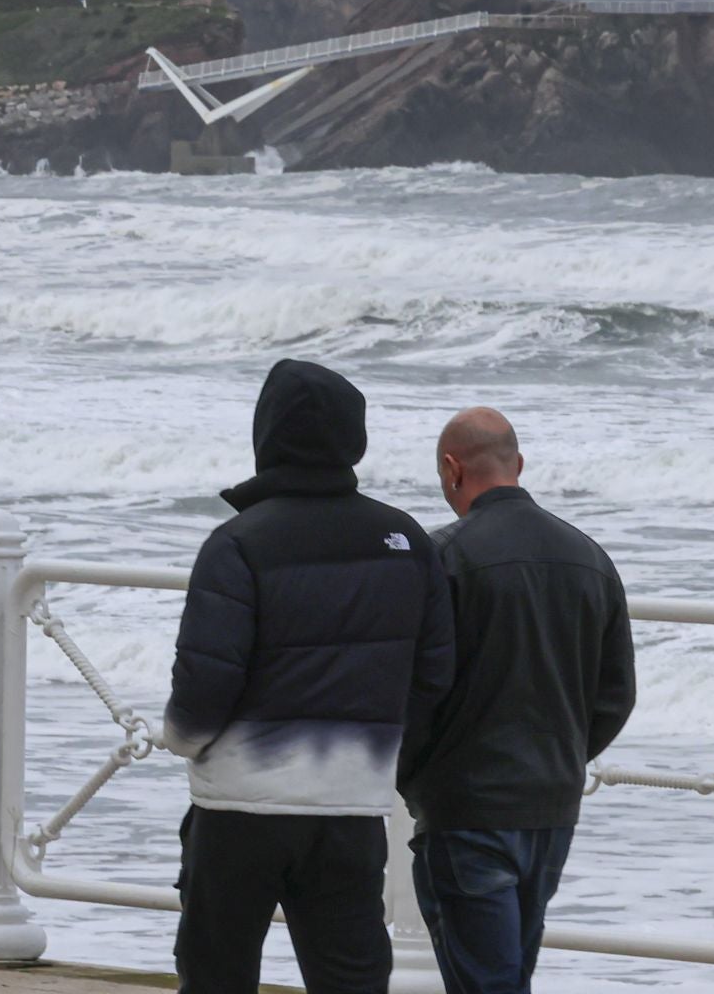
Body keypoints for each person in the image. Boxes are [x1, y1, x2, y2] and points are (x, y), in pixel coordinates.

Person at [163, 359, 455, 994]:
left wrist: (183, 743)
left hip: (239, 805)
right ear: (355, 436)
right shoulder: (404, 537)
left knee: (217, 971)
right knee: (350, 974)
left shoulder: (237, 542)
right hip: (350, 804)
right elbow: (434, 674)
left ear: (267, 435)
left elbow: (204, 685)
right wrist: (380, 746)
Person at [399, 407, 636, 994]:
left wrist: (415, 774)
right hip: (550, 804)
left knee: (486, 979)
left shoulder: (442, 557)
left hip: (466, 805)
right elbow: (617, 694)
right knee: (508, 972)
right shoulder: (590, 557)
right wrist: (563, 756)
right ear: (519, 464)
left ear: (452, 469)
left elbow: (412, 688)